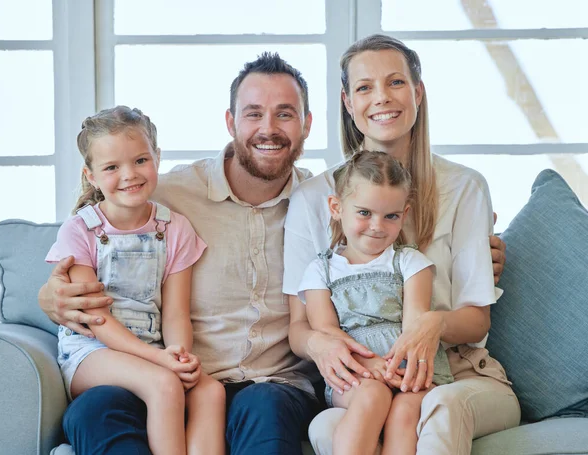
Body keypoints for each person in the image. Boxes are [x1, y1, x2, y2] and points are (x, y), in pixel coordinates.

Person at [38, 53, 320, 455]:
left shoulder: (325, 205)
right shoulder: (158, 194)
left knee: (267, 407)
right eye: (253, 113)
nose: (268, 129)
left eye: (285, 114)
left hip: (268, 384)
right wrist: (48, 296)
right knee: (95, 411)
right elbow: (82, 252)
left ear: (307, 124)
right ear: (231, 122)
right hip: (146, 365)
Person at [283, 34, 521, 455]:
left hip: (459, 372)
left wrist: (433, 324)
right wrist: (322, 344)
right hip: (363, 374)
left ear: (417, 92)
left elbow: (477, 319)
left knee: (438, 408)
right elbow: (300, 327)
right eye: (364, 87)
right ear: (347, 102)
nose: (381, 98)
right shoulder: (311, 199)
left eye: (395, 82)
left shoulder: (464, 187)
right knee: (328, 428)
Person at [45, 105, 224, 455]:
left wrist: (179, 354)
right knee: (163, 384)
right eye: (112, 167)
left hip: (152, 351)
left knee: (210, 391)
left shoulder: (175, 228)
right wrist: (159, 362)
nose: (129, 174)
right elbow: (97, 320)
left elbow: (175, 313)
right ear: (91, 175)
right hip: (92, 352)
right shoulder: (81, 230)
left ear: (157, 157)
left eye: (140, 160)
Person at [298, 150, 454, 455]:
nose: (377, 226)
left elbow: (415, 329)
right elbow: (326, 330)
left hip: (410, 369)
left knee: (406, 411)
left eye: (390, 216)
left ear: (404, 215)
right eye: (364, 213)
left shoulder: (410, 263)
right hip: (355, 372)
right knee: (372, 395)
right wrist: (371, 366)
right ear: (336, 207)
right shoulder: (320, 270)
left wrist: (395, 370)